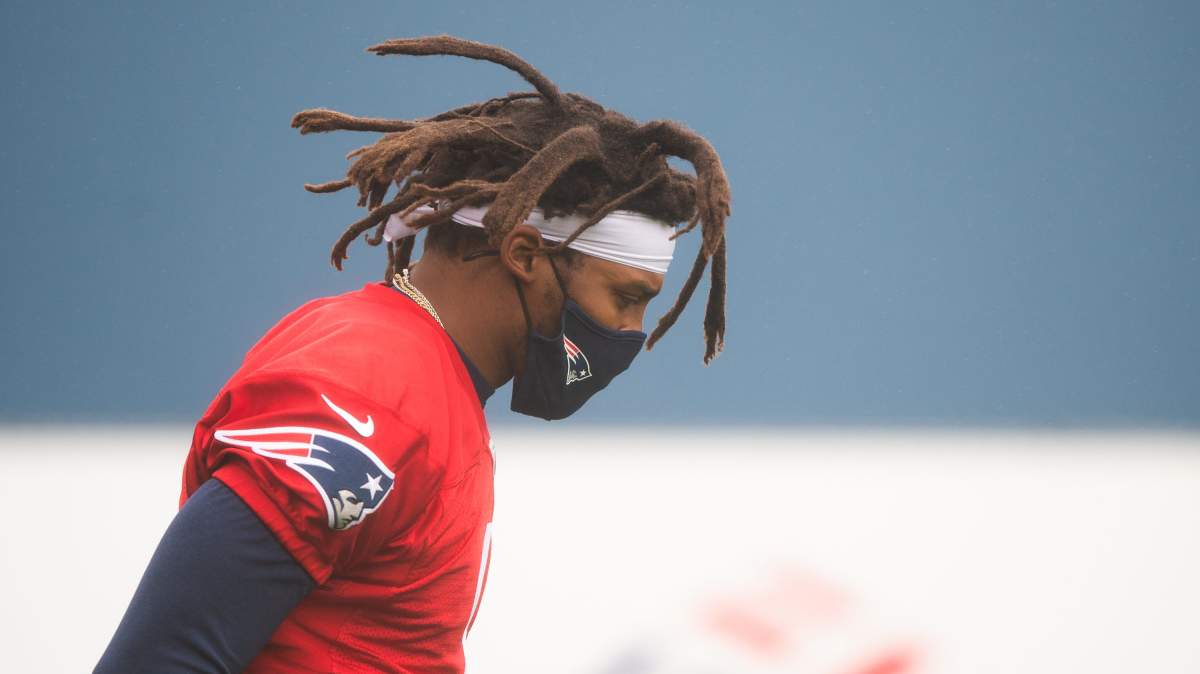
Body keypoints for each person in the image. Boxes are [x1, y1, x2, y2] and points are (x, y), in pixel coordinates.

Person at [94, 34, 731, 673]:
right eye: (626, 297)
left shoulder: (417, 373)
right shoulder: (374, 392)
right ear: (524, 254)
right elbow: (161, 659)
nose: (631, 331)